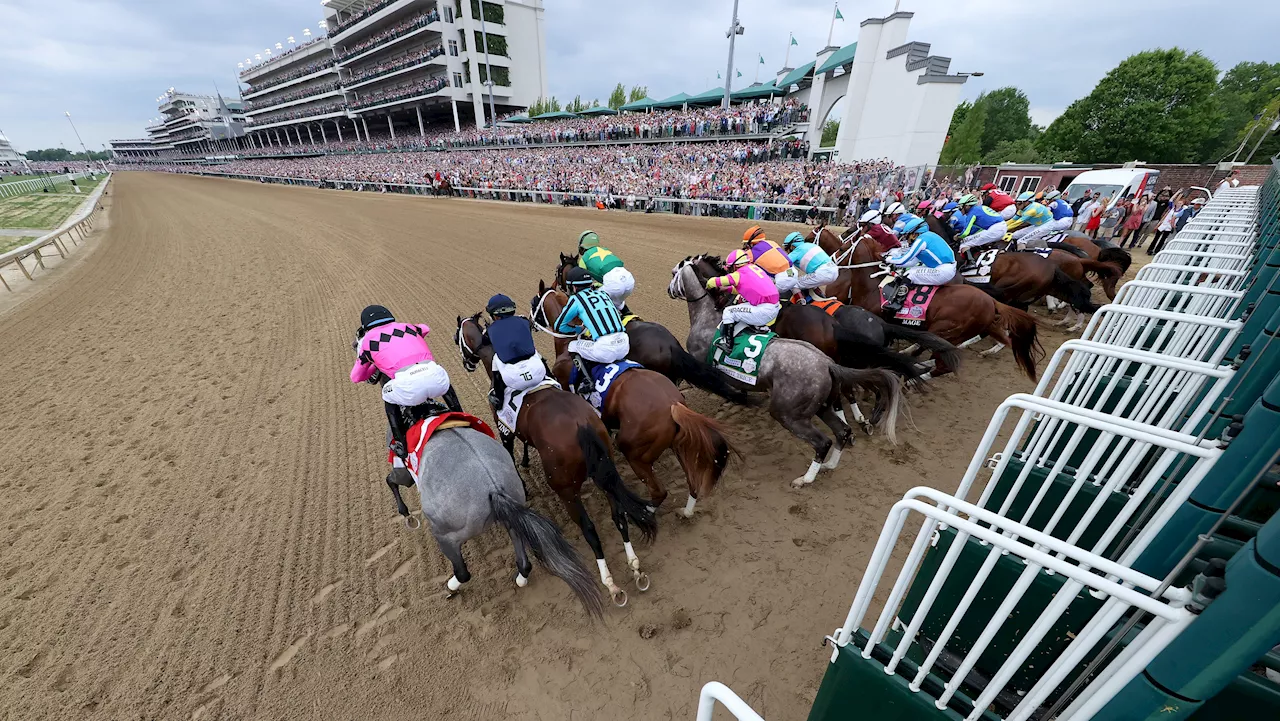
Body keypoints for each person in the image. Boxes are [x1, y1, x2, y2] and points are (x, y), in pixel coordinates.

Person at [351, 304, 462, 484]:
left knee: (387, 394)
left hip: (408, 386)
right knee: (442, 378)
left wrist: (373, 361)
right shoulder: (410, 327)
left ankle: (400, 442)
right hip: (436, 376)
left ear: (366, 326)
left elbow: (357, 377)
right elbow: (426, 328)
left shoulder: (367, 342)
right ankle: (460, 413)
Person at [553, 267, 630, 394]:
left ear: (573, 287)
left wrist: (578, 329)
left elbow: (559, 325)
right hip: (624, 343)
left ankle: (588, 380)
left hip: (605, 348)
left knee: (572, 346)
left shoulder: (576, 299)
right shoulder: (603, 294)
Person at [483, 293, 547, 420]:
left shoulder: (490, 329)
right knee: (535, 352)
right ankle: (551, 377)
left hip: (514, 379)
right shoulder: (524, 321)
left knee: (496, 359)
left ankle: (499, 398)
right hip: (538, 372)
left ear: (494, 315)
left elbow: (485, 342)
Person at [705, 249, 781, 352]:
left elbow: (714, 282)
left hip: (764, 311)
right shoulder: (753, 268)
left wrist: (707, 283)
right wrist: (726, 289)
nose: (730, 270)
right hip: (774, 306)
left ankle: (728, 344)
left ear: (735, 266)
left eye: (730, 267)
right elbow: (744, 289)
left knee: (728, 311)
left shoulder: (738, 274)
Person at [882, 217, 957, 313]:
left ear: (914, 234)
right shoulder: (928, 236)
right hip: (945, 268)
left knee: (910, 274)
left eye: (907, 236)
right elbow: (912, 262)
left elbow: (903, 260)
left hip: (943, 270)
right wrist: (894, 264)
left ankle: (898, 303)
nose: (906, 240)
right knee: (912, 270)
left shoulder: (922, 239)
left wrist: (887, 259)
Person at [575, 230, 635, 312]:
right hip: (629, 280)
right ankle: (628, 314)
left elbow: (583, 281)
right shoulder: (606, 250)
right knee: (618, 302)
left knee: (592, 302)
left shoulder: (584, 258)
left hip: (613, 284)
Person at [779, 231, 838, 302]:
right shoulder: (811, 245)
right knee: (809, 282)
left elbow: (784, 264)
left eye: (787, 248)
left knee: (794, 284)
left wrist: (789, 275)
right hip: (834, 271)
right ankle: (822, 297)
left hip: (822, 273)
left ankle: (800, 302)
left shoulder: (797, 251)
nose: (787, 251)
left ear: (792, 246)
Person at [952, 193, 1009, 263]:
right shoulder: (980, 208)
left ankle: (971, 263)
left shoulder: (972, 213)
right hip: (1001, 227)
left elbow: (965, 233)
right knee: (972, 239)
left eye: (961, 207)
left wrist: (958, 236)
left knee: (964, 243)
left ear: (967, 206)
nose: (960, 210)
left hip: (995, 229)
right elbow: (974, 229)